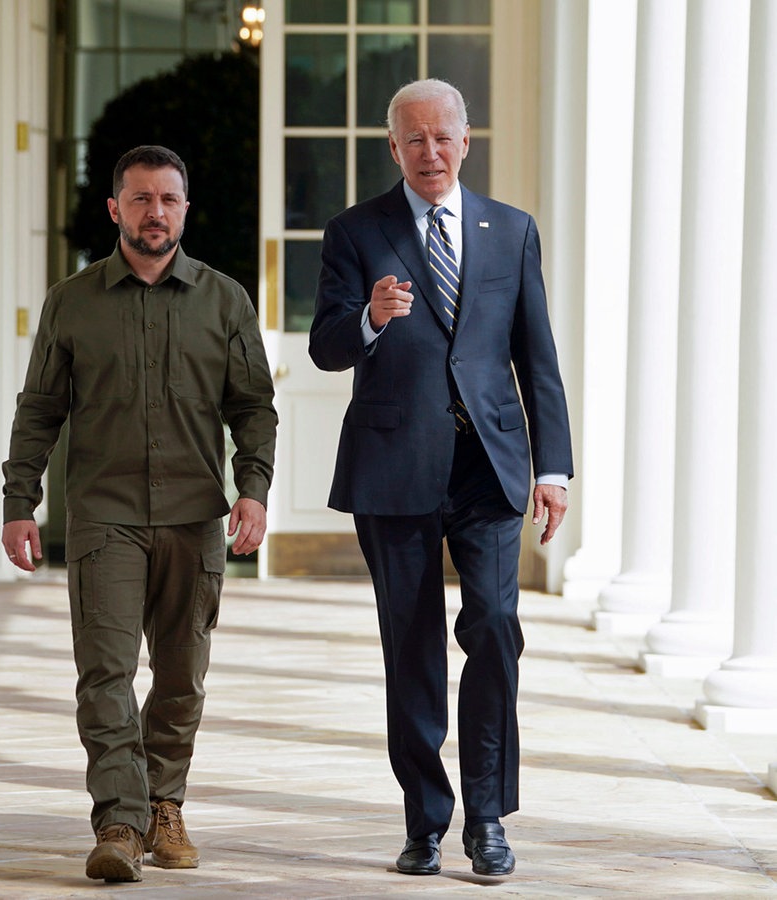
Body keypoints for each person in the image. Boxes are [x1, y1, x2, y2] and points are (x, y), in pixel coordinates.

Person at [309, 79, 573, 879]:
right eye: (413, 139)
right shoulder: (356, 232)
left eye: (442, 137)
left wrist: (553, 468)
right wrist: (369, 319)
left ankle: (487, 817)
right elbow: (325, 346)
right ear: (393, 148)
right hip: (394, 467)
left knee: (493, 628)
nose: (429, 151)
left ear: (466, 142)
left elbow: (537, 358)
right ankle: (425, 819)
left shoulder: (511, 230)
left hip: (489, 467)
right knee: (412, 648)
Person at [1, 145, 277, 883]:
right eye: (141, 198)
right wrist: (19, 501)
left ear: (185, 209)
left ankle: (165, 804)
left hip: (195, 516)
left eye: (168, 199)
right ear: (115, 208)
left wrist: (253, 488)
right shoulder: (73, 301)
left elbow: (253, 408)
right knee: (106, 673)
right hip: (104, 516)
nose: (155, 212)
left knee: (182, 675)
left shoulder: (225, 301)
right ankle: (120, 822)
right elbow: (39, 411)